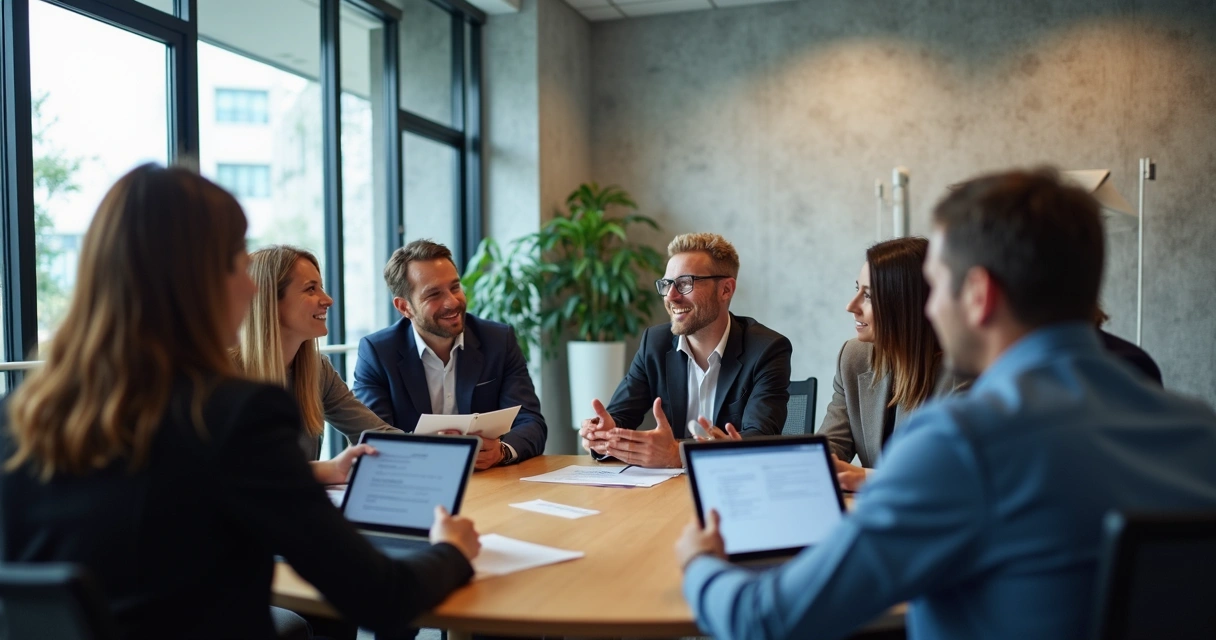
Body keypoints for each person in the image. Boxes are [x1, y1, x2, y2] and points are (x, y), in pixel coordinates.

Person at [675, 168, 1216, 640]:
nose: (929, 309)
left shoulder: (964, 442)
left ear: (978, 295)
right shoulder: (1201, 432)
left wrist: (700, 563)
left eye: (934, 287)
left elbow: (766, 622)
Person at [0, 164, 481, 639]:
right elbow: (380, 596)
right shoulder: (228, 414)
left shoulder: (20, 418)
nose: (250, 286)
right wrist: (451, 550)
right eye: (236, 262)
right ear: (194, 280)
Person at [579, 232, 792, 468]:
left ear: (725, 290)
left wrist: (678, 454)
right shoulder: (655, 343)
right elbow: (620, 418)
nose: (671, 296)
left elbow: (760, 440)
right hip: (667, 491)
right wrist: (604, 436)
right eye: (667, 284)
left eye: (685, 283)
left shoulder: (766, 349)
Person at [354, 240, 547, 469]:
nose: (452, 301)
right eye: (434, 294)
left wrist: (500, 451)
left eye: (455, 287)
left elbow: (531, 422)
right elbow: (373, 439)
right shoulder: (377, 353)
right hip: (417, 481)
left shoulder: (498, 340)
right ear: (404, 307)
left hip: (490, 483)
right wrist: (434, 452)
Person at [236, 245, 398, 482]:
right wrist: (326, 470)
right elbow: (228, 472)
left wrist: (454, 447)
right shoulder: (222, 375)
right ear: (271, 300)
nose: (328, 300)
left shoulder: (317, 370)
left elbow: (377, 435)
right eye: (311, 289)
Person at [819, 237, 970, 491]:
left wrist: (866, 477)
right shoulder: (853, 357)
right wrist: (749, 452)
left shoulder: (963, 375)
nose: (851, 306)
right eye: (857, 289)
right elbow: (830, 447)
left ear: (904, 304)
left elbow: (953, 476)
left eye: (867, 295)